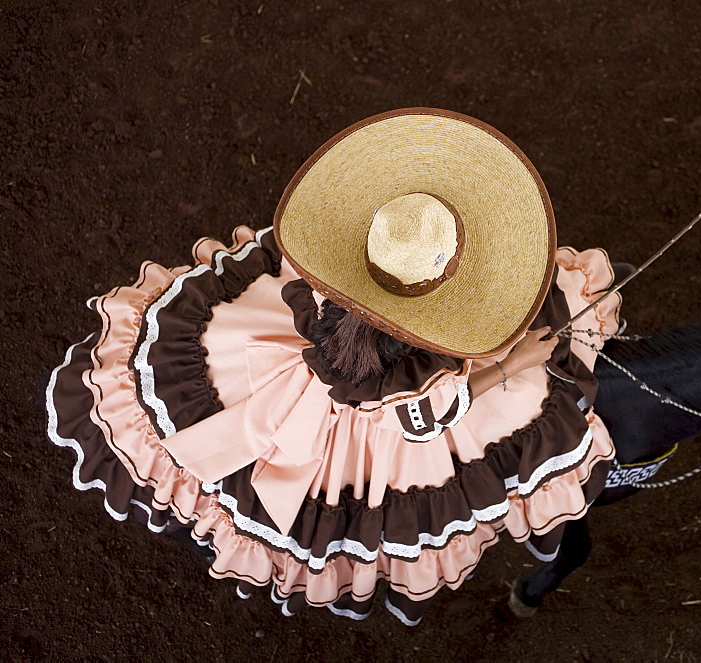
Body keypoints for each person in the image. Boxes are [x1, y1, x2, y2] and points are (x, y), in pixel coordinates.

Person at [44, 108, 621, 625]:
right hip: (370, 413)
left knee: (219, 337)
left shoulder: (323, 291)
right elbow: (423, 420)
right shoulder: (412, 379)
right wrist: (517, 359)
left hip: (281, 359)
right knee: (503, 416)